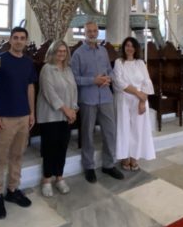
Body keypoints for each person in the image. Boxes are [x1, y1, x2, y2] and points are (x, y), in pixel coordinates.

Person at [0, 26, 37, 219]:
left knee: (17, 155)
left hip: (23, 117)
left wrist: (31, 112)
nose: (19, 41)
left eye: (22, 38)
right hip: (4, 119)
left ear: (26, 41)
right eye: (15, 37)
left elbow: (30, 88)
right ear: (10, 39)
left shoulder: (28, 62)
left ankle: (13, 190)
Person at [71, 21, 124, 183]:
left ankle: (108, 164)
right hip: (88, 99)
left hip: (106, 97)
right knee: (87, 133)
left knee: (110, 131)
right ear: (84, 33)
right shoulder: (78, 54)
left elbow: (109, 70)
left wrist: (108, 78)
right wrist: (93, 80)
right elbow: (74, 78)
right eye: (89, 31)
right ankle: (89, 166)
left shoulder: (103, 51)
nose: (92, 34)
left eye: (95, 31)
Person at [36, 40, 78, 197]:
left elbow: (74, 90)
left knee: (62, 146)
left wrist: (74, 109)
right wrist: (67, 110)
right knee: (50, 148)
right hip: (50, 115)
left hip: (66, 115)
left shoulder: (68, 69)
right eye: (59, 51)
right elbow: (49, 93)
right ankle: (47, 179)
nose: (62, 54)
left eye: (64, 51)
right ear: (52, 52)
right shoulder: (47, 69)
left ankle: (59, 177)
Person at [113, 37, 156, 171]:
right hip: (123, 99)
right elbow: (119, 82)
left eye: (132, 46)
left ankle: (134, 157)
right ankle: (125, 157)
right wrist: (138, 93)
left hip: (139, 101)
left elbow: (147, 82)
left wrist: (142, 101)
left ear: (136, 48)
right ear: (124, 48)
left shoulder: (140, 63)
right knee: (124, 128)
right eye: (127, 45)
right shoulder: (119, 62)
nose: (129, 48)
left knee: (137, 130)